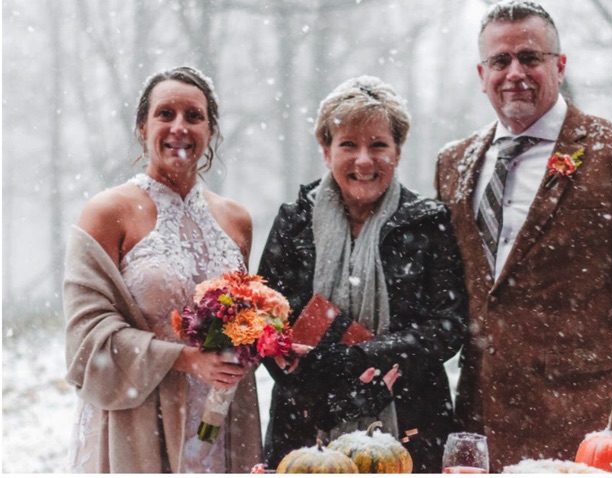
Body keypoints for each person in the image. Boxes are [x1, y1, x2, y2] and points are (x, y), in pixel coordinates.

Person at [434, 0, 612, 472]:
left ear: (559, 65)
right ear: (481, 73)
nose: (515, 72)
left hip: (588, 422)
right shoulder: (453, 162)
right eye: (500, 60)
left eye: (530, 57)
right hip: (482, 422)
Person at [258, 75, 468, 473]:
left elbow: (447, 326)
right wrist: (339, 395)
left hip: (410, 421)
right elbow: (267, 320)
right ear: (326, 151)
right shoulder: (295, 221)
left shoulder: (428, 223)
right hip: (306, 427)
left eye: (378, 145)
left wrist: (360, 358)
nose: (364, 160)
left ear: (398, 151)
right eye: (348, 145)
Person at [63, 66, 263, 472]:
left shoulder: (236, 221)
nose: (179, 127)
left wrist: (266, 341)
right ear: (143, 126)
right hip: (138, 422)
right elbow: (86, 338)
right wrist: (184, 359)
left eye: (194, 116)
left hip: (221, 421)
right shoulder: (107, 212)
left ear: (211, 130)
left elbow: (246, 319)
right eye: (165, 114)